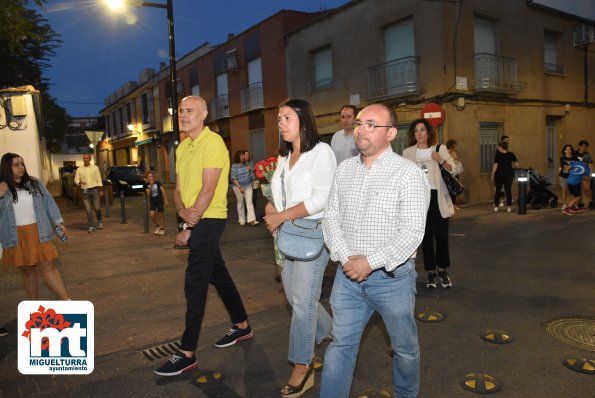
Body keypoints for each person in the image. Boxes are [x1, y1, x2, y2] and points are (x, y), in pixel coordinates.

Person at [320, 104, 429, 398]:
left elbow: (412, 232)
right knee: (340, 345)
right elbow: (330, 217)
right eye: (359, 124)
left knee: (404, 350)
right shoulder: (344, 171)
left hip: (392, 281)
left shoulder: (408, 174)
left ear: (391, 133)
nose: (361, 130)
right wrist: (347, 259)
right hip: (347, 279)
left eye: (371, 124)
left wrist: (370, 262)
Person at [154, 96, 253, 376]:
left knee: (194, 282)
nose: (184, 115)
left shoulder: (213, 143)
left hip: (209, 218)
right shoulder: (182, 147)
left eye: (190, 111)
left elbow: (208, 190)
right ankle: (242, 325)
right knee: (217, 274)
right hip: (194, 216)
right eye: (181, 111)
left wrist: (188, 227)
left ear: (204, 113)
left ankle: (187, 353)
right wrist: (182, 211)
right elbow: (177, 189)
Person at [263, 99, 336, 397]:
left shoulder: (322, 153)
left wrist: (282, 215)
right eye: (279, 119)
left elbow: (322, 198)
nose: (280, 123)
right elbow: (282, 196)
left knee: (303, 304)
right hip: (289, 235)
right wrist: (272, 206)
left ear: (303, 121)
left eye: (287, 118)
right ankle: (334, 330)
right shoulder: (284, 158)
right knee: (296, 300)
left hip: (315, 237)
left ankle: (302, 366)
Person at [0, 153, 70, 300]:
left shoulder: (34, 183)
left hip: (39, 231)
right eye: (16, 165)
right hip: (16, 236)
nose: (21, 167)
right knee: (27, 270)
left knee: (48, 266)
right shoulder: (2, 189)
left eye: (22, 164)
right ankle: (34, 308)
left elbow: (49, 203)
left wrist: (58, 222)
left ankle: (67, 301)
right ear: (7, 168)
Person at [403, 119, 456, 289]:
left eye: (422, 130)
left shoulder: (439, 149)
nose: (419, 133)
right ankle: (431, 272)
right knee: (425, 238)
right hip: (418, 199)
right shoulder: (408, 153)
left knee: (441, 236)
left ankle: (442, 269)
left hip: (438, 197)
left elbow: (454, 169)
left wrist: (441, 160)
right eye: (416, 130)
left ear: (428, 132)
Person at [74, 153, 103, 233]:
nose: (85, 160)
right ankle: (91, 226)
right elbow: (76, 180)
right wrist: (80, 183)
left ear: (90, 159)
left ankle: (100, 220)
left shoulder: (95, 168)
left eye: (87, 158)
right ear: (83, 159)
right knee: (88, 209)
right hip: (85, 191)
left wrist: (101, 190)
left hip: (95, 190)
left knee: (97, 208)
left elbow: (99, 179)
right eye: (84, 158)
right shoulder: (79, 169)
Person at [230, 150, 259, 226]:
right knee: (240, 203)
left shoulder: (247, 163)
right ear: (238, 157)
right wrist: (240, 187)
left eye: (244, 156)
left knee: (249, 203)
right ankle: (242, 219)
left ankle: (252, 220)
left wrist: (254, 179)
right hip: (238, 187)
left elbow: (252, 173)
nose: (243, 157)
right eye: (242, 156)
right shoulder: (234, 166)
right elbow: (234, 178)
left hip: (248, 185)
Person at [491, 138, 519, 213]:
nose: (497, 148)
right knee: (508, 191)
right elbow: (517, 164)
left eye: (498, 147)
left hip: (499, 175)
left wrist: (492, 175)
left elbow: (495, 165)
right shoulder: (511, 154)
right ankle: (509, 207)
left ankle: (496, 207)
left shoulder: (498, 156)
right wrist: (514, 167)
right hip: (509, 175)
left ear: (501, 147)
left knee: (498, 191)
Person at [145, 171, 169, 235]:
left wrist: (166, 200)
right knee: (152, 214)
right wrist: (151, 185)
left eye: (152, 176)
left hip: (159, 201)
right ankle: (157, 226)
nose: (151, 178)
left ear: (154, 177)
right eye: (149, 177)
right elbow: (148, 193)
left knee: (160, 214)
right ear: (147, 178)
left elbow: (163, 191)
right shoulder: (146, 185)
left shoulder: (158, 183)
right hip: (152, 201)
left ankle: (162, 229)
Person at [574, 140, 593, 208]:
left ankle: (591, 202)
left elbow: (590, 164)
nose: (583, 148)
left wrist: (591, 172)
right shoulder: (574, 153)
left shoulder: (587, 154)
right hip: (576, 174)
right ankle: (580, 202)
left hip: (585, 173)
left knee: (587, 188)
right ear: (579, 146)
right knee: (577, 188)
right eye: (582, 146)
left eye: (585, 147)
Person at [446, 139, 464, 206]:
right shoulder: (445, 152)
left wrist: (456, 159)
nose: (455, 147)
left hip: (454, 173)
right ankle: (449, 204)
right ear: (452, 146)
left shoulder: (453, 153)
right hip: (448, 173)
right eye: (454, 146)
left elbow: (457, 161)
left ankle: (453, 204)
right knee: (448, 189)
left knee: (454, 188)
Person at [559, 144, 576, 210]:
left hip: (573, 177)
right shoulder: (562, 158)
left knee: (573, 191)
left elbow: (577, 167)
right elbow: (566, 168)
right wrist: (572, 166)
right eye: (566, 149)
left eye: (569, 149)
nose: (568, 150)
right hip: (564, 176)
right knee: (564, 190)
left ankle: (574, 204)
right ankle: (564, 204)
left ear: (571, 151)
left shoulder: (575, 158)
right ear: (564, 151)